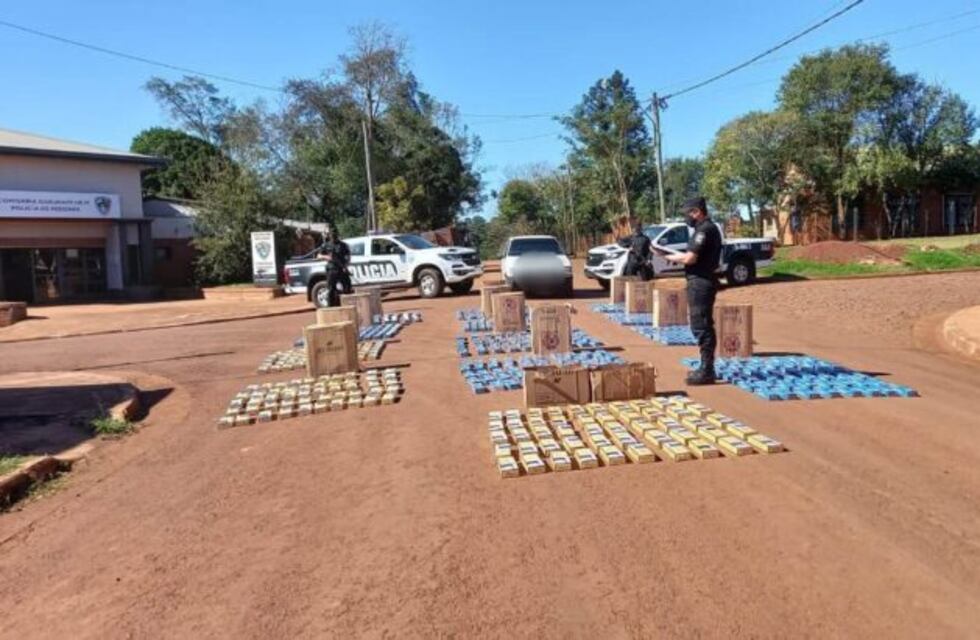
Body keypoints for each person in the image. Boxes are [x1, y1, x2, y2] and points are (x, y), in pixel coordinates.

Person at [663, 197, 722, 385]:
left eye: (688, 213)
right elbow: (689, 256)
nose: (686, 217)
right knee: (700, 324)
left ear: (697, 211)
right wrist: (667, 254)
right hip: (699, 281)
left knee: (702, 325)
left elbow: (690, 259)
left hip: (701, 283)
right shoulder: (702, 229)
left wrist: (673, 257)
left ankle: (707, 369)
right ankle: (706, 367)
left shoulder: (704, 230)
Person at [317, 225, 353, 307]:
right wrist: (326, 257)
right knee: (331, 289)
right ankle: (331, 307)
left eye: (335, 234)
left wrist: (346, 265)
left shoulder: (343, 245)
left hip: (341, 268)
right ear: (330, 235)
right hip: (331, 269)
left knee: (347, 287)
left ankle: (347, 305)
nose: (333, 236)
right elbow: (318, 255)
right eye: (332, 234)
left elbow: (348, 256)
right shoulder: (326, 245)